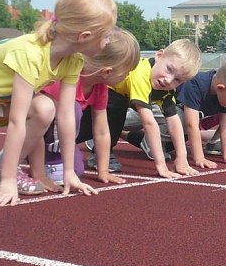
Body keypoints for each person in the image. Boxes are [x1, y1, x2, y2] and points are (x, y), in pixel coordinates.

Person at [0, 0, 115, 206]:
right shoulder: (30, 53)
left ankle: (17, 168)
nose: (108, 42)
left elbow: (66, 115)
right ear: (84, 36)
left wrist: (69, 172)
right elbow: (16, 120)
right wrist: (8, 181)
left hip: (0, 100)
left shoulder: (73, 60)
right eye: (106, 36)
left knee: (46, 108)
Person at [81, 39, 202, 179]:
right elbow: (149, 123)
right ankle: (99, 151)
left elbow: (173, 121)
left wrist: (182, 158)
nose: (168, 80)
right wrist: (161, 166)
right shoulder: (141, 73)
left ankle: (95, 143)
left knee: (118, 109)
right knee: (114, 108)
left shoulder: (166, 89)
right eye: (169, 69)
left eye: (177, 80)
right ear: (159, 56)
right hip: (96, 97)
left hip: (112, 102)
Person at [35, 28, 140, 186]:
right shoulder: (68, 79)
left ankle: (54, 158)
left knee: (77, 170)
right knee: (73, 109)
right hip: (36, 132)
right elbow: (51, 115)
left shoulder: (100, 88)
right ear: (107, 72)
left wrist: (103, 171)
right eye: (127, 72)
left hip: (61, 135)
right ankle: (33, 156)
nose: (128, 77)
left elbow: (102, 130)